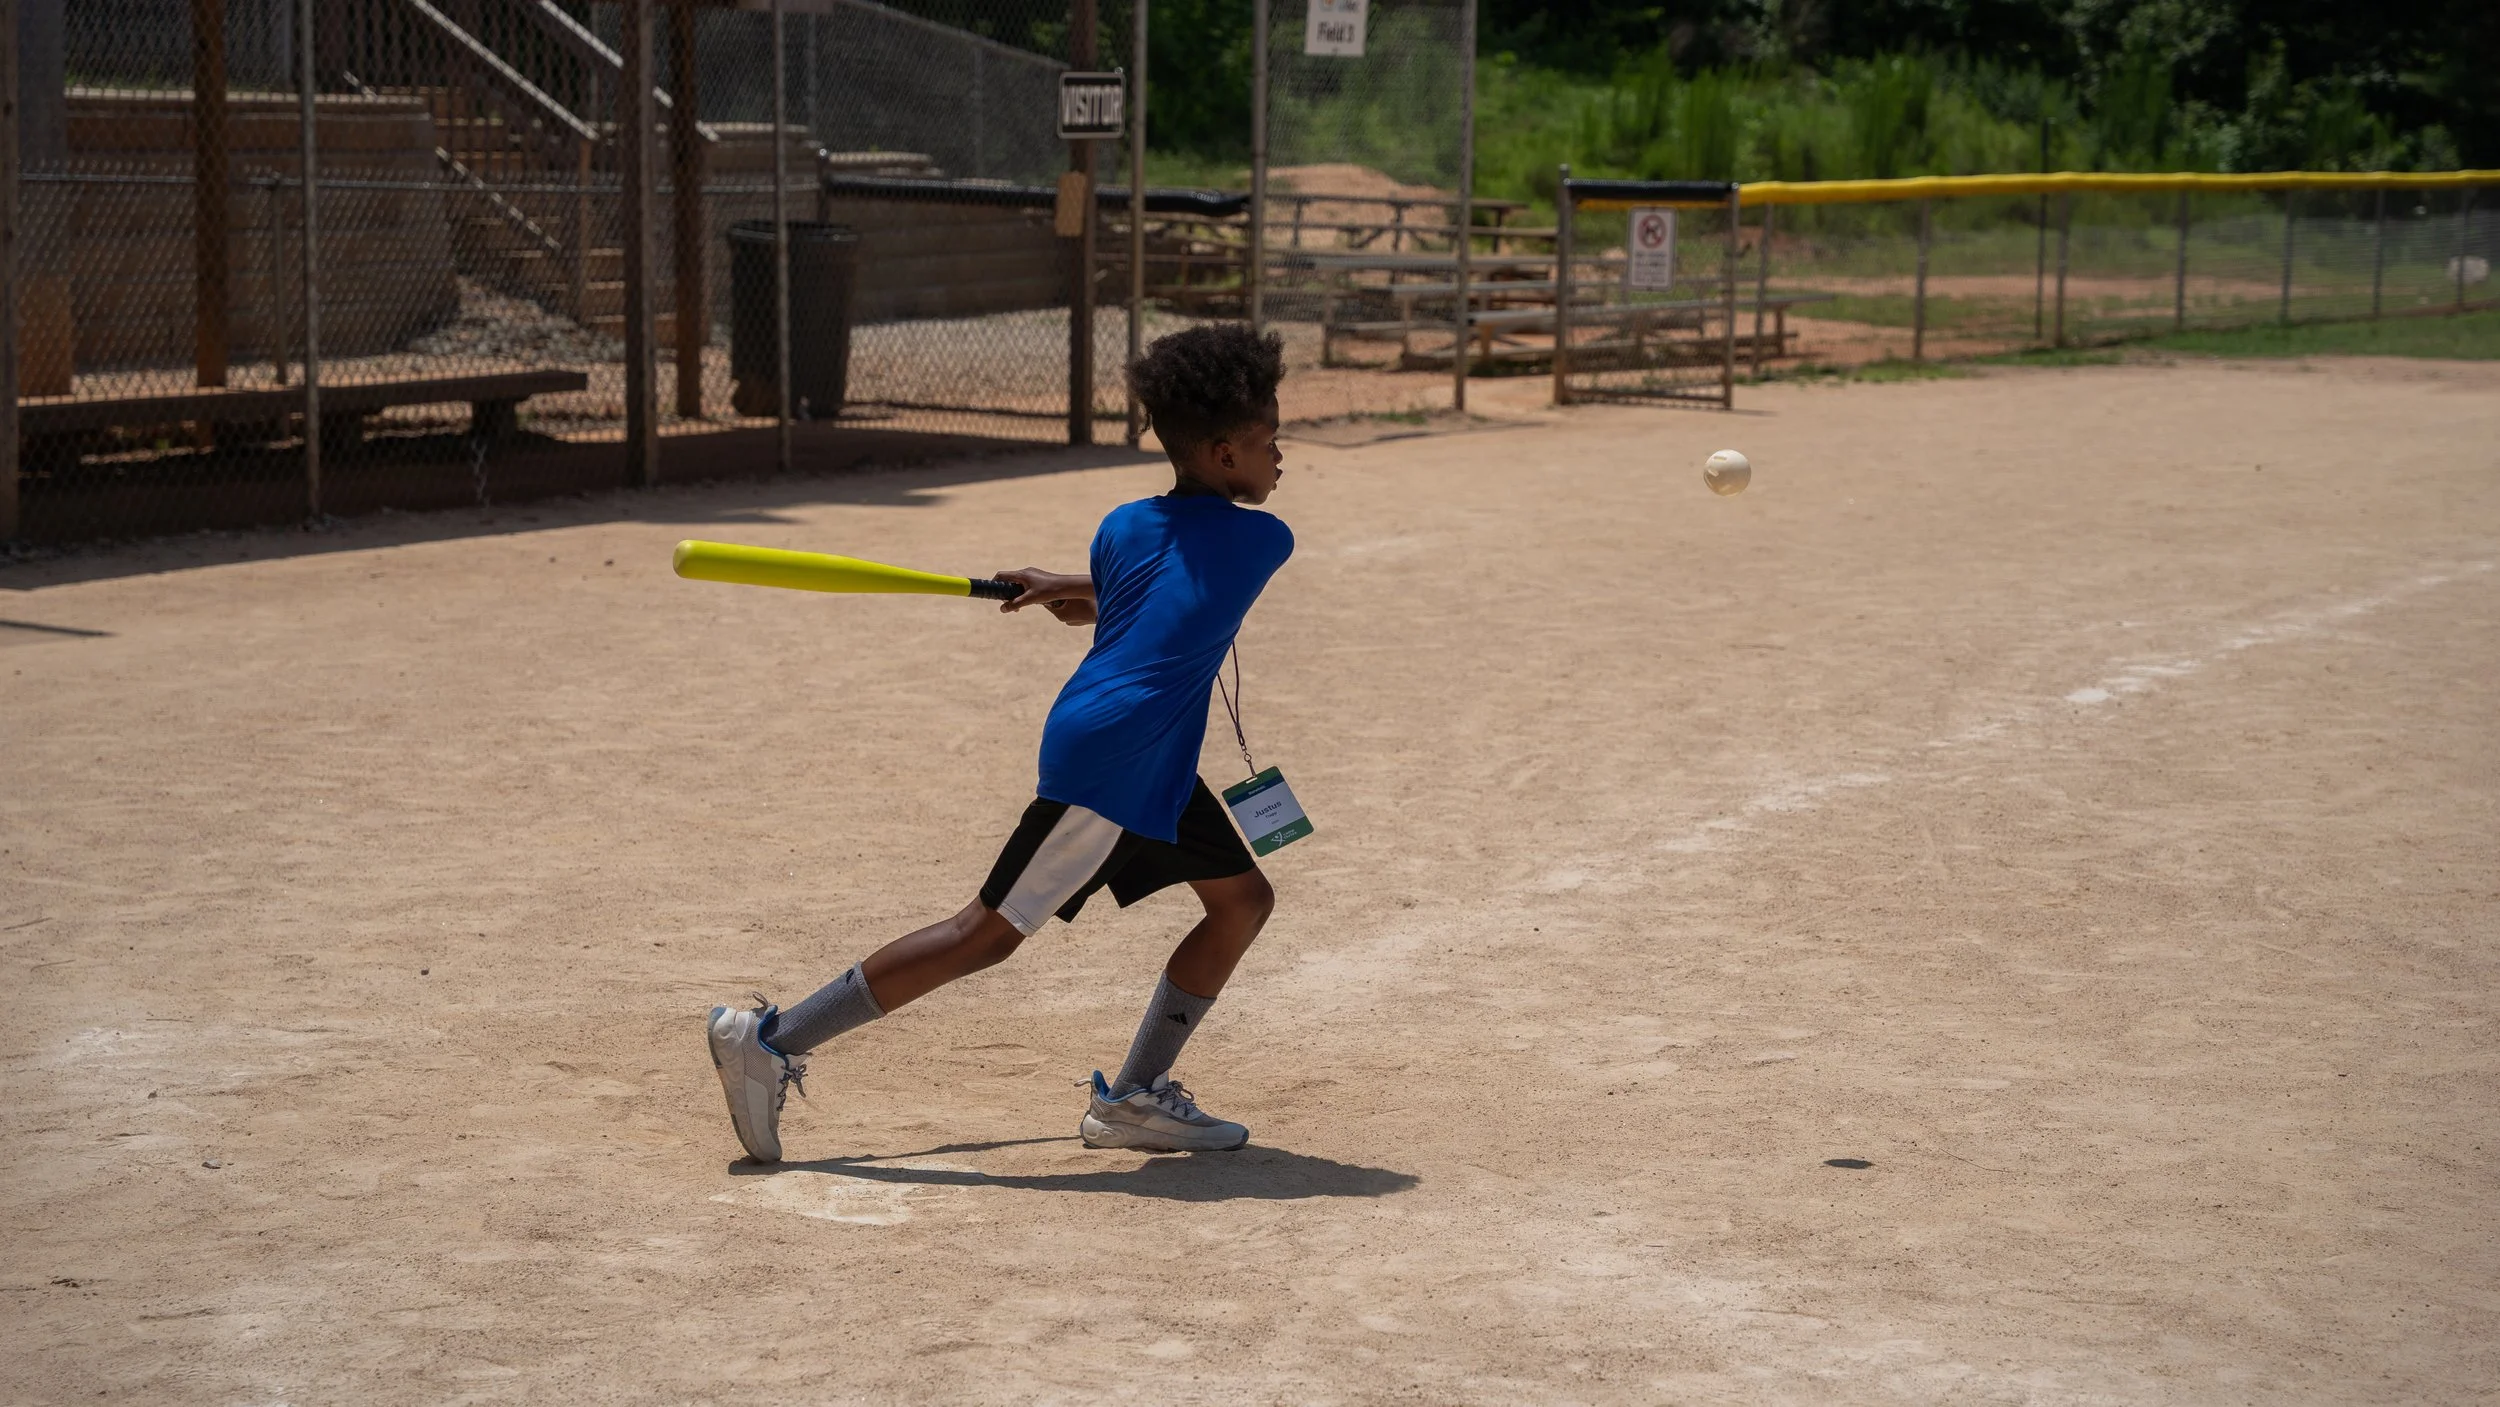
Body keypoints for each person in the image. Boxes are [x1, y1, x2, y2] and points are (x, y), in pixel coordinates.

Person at [705, 324, 1294, 1161]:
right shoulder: (1264, 538)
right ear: (1227, 452)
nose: (1284, 456)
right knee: (984, 933)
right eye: (1272, 439)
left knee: (1241, 900)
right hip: (1123, 759)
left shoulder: (1122, 524)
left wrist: (1067, 582)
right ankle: (769, 1039)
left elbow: (1147, 577)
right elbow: (1174, 582)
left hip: (1141, 751)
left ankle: (1132, 1098)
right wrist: (1080, 590)